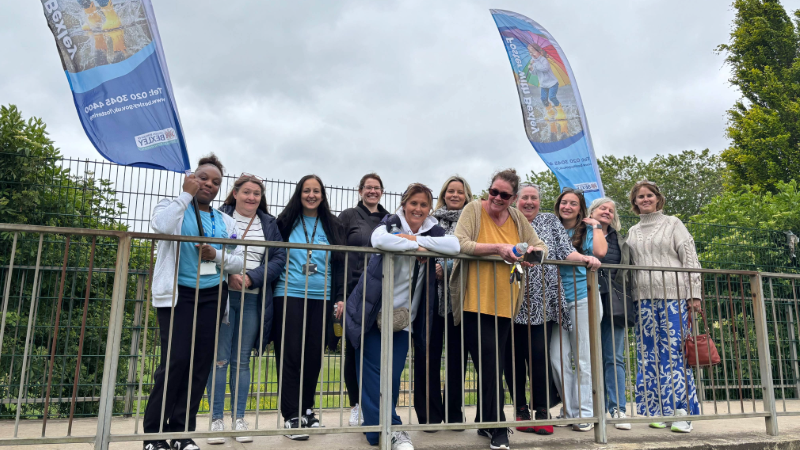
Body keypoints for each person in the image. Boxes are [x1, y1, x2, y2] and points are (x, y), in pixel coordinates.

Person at [345, 183, 460, 450]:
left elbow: (454, 245)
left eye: (423, 204)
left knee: (393, 375)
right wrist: (421, 248)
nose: (418, 209)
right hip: (372, 311)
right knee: (373, 373)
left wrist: (413, 242)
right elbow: (379, 240)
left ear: (429, 208)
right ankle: (391, 430)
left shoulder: (434, 229)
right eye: (413, 203)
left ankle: (379, 427)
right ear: (404, 204)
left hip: (404, 318)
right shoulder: (390, 222)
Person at [143, 154, 244, 450]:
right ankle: (154, 435)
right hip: (178, 295)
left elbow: (238, 260)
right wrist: (185, 195)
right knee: (175, 361)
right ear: (191, 178)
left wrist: (216, 255)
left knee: (200, 364)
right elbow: (161, 226)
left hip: (212, 295)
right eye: (203, 178)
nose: (209, 184)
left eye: (216, 182)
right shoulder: (171, 206)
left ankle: (182, 433)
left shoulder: (225, 220)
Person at [449, 169, 548, 450]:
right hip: (473, 301)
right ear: (488, 190)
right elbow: (460, 243)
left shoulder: (517, 218)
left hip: (506, 302)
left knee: (492, 364)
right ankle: (498, 427)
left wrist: (529, 255)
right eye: (494, 191)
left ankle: (485, 420)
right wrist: (498, 248)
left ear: (513, 198)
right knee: (490, 363)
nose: (497, 198)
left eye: (504, 195)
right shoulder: (473, 209)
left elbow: (541, 248)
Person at [503, 184, 600, 435]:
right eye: (525, 197)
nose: (529, 202)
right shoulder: (506, 219)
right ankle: (521, 410)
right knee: (514, 359)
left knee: (540, 356)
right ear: (516, 200)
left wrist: (585, 258)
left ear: (540, 201)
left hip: (543, 302)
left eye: (534, 198)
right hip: (509, 298)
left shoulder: (549, 221)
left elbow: (566, 251)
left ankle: (542, 411)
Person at [205, 174, 286, 444]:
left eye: (257, 194)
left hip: (253, 298)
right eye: (247, 192)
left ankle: (239, 419)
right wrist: (228, 275)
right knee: (219, 359)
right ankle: (216, 420)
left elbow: (278, 257)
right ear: (235, 193)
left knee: (242, 361)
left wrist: (252, 278)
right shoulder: (218, 217)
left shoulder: (269, 224)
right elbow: (209, 251)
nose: (252, 198)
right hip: (223, 296)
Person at [273, 175, 346, 440]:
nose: (311, 195)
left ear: (323, 195)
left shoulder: (333, 225)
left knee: (313, 356)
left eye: (316, 191)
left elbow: (340, 264)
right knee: (290, 354)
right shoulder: (284, 222)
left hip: (322, 297)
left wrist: (340, 296)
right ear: (299, 193)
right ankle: (291, 415)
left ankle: (306, 410)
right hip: (289, 294)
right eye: (306, 190)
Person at [626, 180, 702, 433]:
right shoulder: (632, 231)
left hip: (674, 297)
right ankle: (659, 410)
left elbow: (689, 257)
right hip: (643, 300)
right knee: (648, 355)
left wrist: (694, 294)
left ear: (658, 198)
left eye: (649, 195)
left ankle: (683, 412)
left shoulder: (673, 223)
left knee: (675, 353)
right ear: (635, 202)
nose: (645, 199)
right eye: (640, 197)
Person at [417, 175, 473, 427]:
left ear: (466, 195)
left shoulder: (471, 221)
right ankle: (429, 414)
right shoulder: (430, 220)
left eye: (460, 192)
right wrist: (435, 265)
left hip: (460, 298)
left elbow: (470, 251)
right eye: (450, 191)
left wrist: (446, 267)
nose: (455, 195)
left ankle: (453, 412)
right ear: (443, 194)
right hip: (429, 297)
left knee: (456, 358)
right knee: (427, 354)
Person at [550, 187, 607, 432]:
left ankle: (586, 413)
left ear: (580, 208)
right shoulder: (551, 228)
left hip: (584, 298)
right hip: (557, 302)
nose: (568, 207)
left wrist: (596, 226)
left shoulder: (586, 230)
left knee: (584, 358)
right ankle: (570, 410)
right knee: (557, 358)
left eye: (573, 203)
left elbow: (600, 252)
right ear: (558, 205)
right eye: (564, 202)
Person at [337, 173, 390, 426]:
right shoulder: (348, 216)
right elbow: (338, 258)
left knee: (380, 351)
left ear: (382, 192)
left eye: (376, 188)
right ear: (360, 191)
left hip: (382, 292)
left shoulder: (390, 219)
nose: (372, 191)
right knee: (354, 349)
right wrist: (340, 296)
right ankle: (356, 404)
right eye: (368, 187)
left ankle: (378, 404)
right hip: (354, 291)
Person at [587, 197, 632, 431]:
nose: (607, 212)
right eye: (602, 208)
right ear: (591, 211)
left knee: (614, 357)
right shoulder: (580, 234)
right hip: (585, 298)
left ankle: (618, 408)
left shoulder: (620, 240)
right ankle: (591, 408)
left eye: (611, 210)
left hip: (614, 302)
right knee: (586, 357)